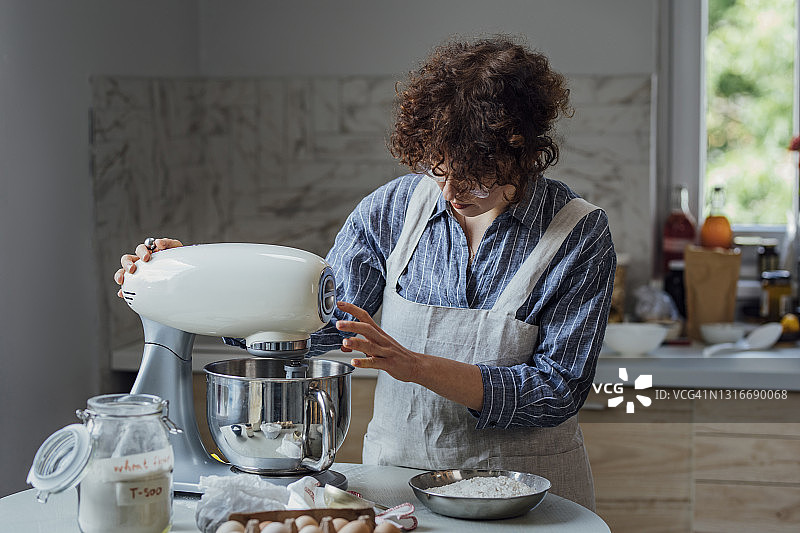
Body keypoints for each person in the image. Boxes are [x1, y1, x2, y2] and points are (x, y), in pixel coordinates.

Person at [115, 36, 615, 510]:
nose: (449, 193)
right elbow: (317, 324)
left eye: (473, 178)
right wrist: (189, 280)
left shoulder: (578, 234)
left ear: (520, 149)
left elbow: (557, 391)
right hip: (400, 492)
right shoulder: (392, 211)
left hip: (528, 500)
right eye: (439, 170)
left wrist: (416, 366)